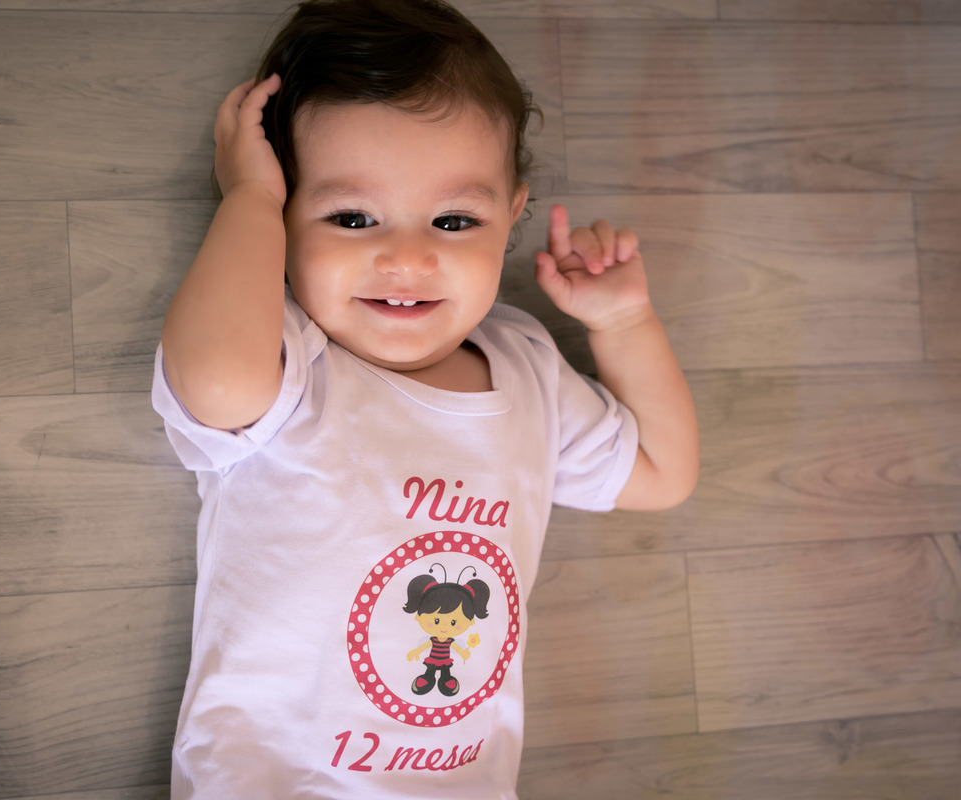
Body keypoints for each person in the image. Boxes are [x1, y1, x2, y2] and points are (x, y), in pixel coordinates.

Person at [152, 0, 699, 797]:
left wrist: (624, 322)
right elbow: (215, 382)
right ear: (285, 220)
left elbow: (663, 472)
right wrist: (246, 200)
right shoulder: (289, 361)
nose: (406, 258)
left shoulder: (528, 369)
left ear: (510, 217)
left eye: (454, 219)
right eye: (351, 217)